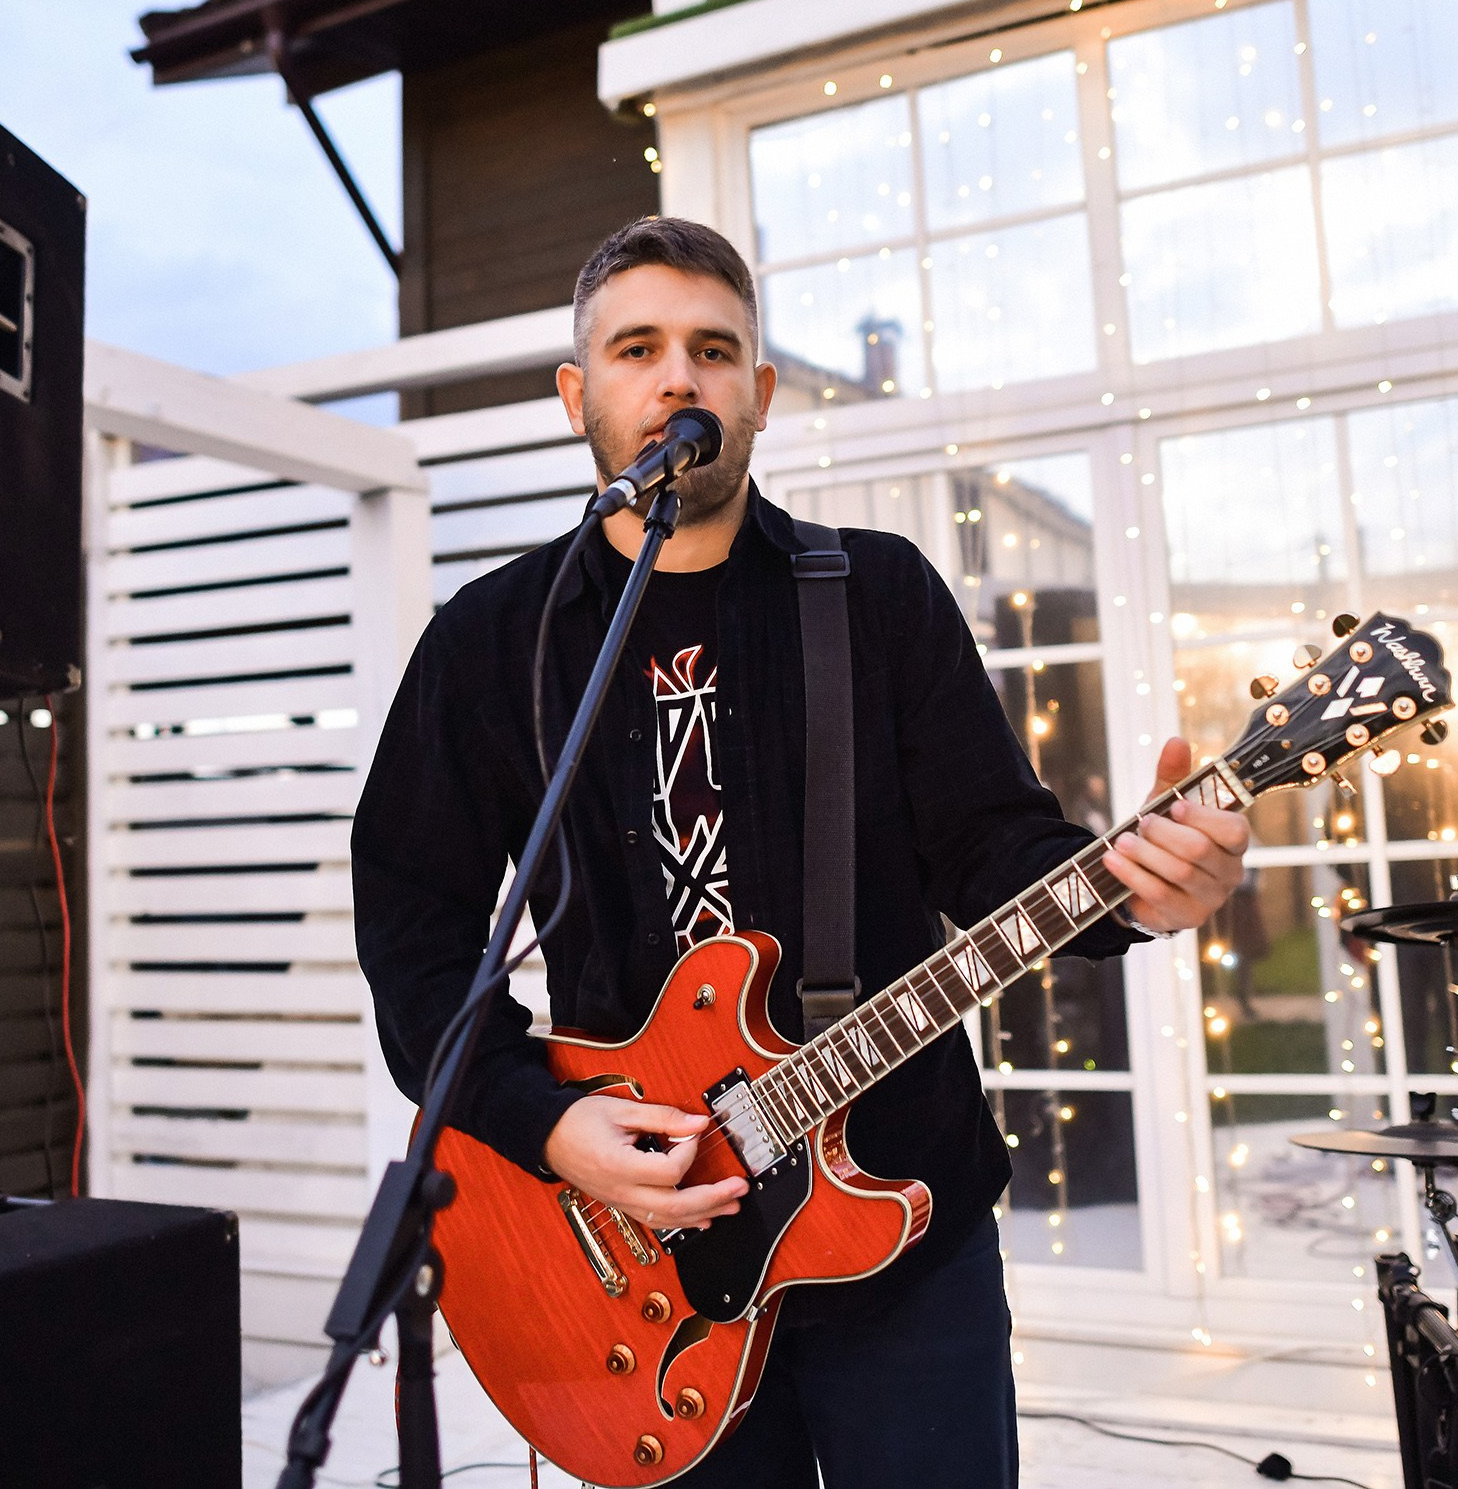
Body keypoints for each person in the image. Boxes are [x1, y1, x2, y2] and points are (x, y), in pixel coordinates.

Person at [351, 216, 1250, 1488]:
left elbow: (993, 848)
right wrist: (544, 1126)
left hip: (900, 1226)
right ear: (578, 396)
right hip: (632, 1251)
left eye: (714, 350)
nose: (679, 379)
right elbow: (416, 931)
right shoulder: (496, 641)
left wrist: (1139, 890)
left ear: (758, 395)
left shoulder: (873, 597)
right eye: (638, 349)